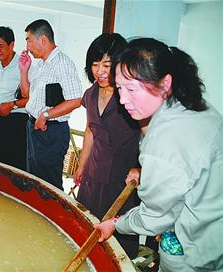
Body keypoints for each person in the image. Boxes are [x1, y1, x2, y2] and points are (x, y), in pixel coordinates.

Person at [95, 37, 223, 271]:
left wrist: (116, 223)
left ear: (165, 84)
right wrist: (146, 172)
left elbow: (155, 217)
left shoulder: (164, 140)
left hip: (196, 253)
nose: (123, 100)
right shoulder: (195, 106)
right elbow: (187, 170)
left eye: (131, 89)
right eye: (120, 88)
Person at [72, 33, 141, 258]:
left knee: (116, 243)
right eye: (94, 64)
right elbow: (90, 129)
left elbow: (149, 137)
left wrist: (141, 168)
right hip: (93, 175)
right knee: (86, 229)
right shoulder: (91, 94)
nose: (100, 71)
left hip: (121, 180)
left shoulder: (131, 97)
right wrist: (82, 165)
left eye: (107, 65)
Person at [19, 19, 82, 190]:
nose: (27, 47)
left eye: (29, 40)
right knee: (33, 179)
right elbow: (26, 94)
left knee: (49, 185)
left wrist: (45, 115)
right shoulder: (40, 64)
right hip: (34, 128)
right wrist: (23, 70)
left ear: (43, 40)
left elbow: (76, 100)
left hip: (51, 132)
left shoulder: (62, 63)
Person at [0, 26, 28, 171]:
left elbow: (32, 97)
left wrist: (11, 105)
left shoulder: (23, 65)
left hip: (16, 120)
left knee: (15, 165)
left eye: (0, 46)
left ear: (12, 44)